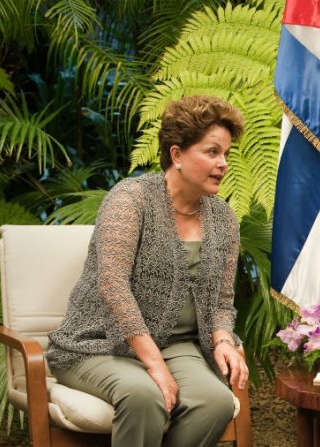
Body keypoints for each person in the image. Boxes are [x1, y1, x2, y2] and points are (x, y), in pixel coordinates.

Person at [46, 95, 249, 446]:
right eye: (212, 152)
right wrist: (154, 365)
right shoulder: (131, 199)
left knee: (214, 403)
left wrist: (223, 340)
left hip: (179, 346)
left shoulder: (223, 219)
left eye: (226, 154)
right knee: (144, 396)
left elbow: (221, 302)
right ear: (177, 154)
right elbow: (112, 285)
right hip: (99, 345)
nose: (223, 164)